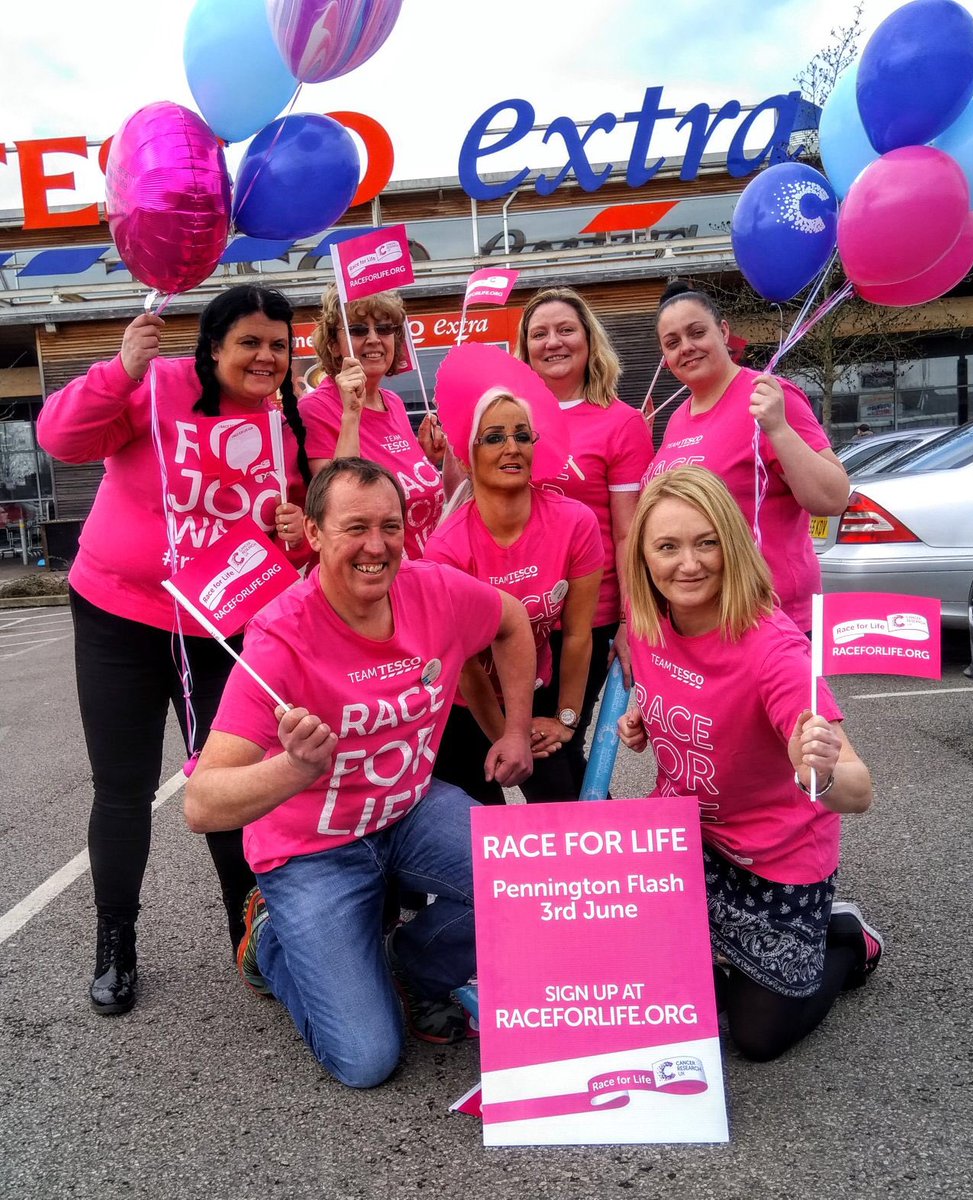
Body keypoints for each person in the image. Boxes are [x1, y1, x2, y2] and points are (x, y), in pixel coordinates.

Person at [183, 457, 535, 1088]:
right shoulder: (278, 639)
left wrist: (513, 727)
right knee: (367, 1060)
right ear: (314, 534)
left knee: (530, 884)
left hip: (410, 811)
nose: (377, 546)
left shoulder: (434, 589)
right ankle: (269, 937)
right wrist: (293, 770)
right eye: (355, 528)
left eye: (390, 526)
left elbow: (511, 621)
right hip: (311, 851)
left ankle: (409, 965)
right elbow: (202, 804)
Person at [36, 285, 312, 1016]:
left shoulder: (290, 424)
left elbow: (303, 543)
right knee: (122, 788)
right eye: (250, 341)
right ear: (214, 346)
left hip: (221, 627)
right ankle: (116, 942)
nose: (266, 357)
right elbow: (60, 439)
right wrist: (119, 369)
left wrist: (295, 533)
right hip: (116, 614)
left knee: (228, 784)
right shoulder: (156, 386)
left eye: (279, 344)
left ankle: (247, 934)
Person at [618, 465, 882, 1062]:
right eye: (667, 546)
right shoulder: (647, 625)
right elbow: (684, 694)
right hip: (686, 840)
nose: (687, 564)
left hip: (776, 859)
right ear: (644, 556)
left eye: (706, 542)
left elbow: (859, 789)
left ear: (731, 547)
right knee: (650, 984)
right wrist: (644, 718)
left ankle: (844, 939)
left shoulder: (774, 649)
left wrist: (815, 768)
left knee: (758, 1039)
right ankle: (727, 948)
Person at [425, 387, 603, 803]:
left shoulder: (575, 523)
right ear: (467, 457)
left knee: (574, 812)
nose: (512, 447)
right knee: (475, 841)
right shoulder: (446, 549)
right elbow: (467, 668)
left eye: (522, 436)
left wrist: (567, 719)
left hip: (536, 688)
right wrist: (509, 738)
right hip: (466, 708)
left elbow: (578, 634)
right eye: (494, 437)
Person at [649, 280, 850, 633]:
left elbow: (833, 497)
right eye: (673, 342)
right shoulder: (677, 418)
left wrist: (779, 429)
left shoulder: (768, 396)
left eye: (697, 332)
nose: (687, 348)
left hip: (771, 619)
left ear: (724, 331)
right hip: (707, 619)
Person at [515, 286, 654, 792]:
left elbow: (628, 531)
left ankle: (590, 858)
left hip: (588, 618)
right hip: (518, 615)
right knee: (537, 746)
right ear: (525, 348)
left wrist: (632, 621)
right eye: (539, 333)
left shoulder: (622, 423)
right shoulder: (513, 419)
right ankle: (598, 854)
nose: (553, 342)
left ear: (589, 341)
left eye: (565, 329)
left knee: (550, 746)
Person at [299, 286, 445, 558]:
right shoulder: (315, 408)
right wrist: (351, 414)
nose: (374, 339)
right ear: (333, 344)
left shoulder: (394, 402)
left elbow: (397, 480)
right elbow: (337, 504)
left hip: (424, 574)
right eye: (357, 330)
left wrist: (427, 459)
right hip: (376, 578)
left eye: (385, 328)